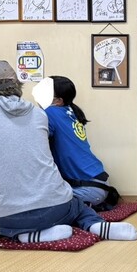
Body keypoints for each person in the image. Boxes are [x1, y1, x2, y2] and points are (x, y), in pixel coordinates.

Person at [0, 60, 137, 243]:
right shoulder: (39, 114)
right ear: (17, 84)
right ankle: (94, 224)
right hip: (59, 206)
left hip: (11, 215)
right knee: (77, 207)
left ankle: (27, 235)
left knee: (5, 224)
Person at [44, 75, 119, 211]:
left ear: (59, 101)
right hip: (100, 182)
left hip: (87, 188)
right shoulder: (71, 111)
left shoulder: (50, 112)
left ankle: (82, 209)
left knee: (39, 200)